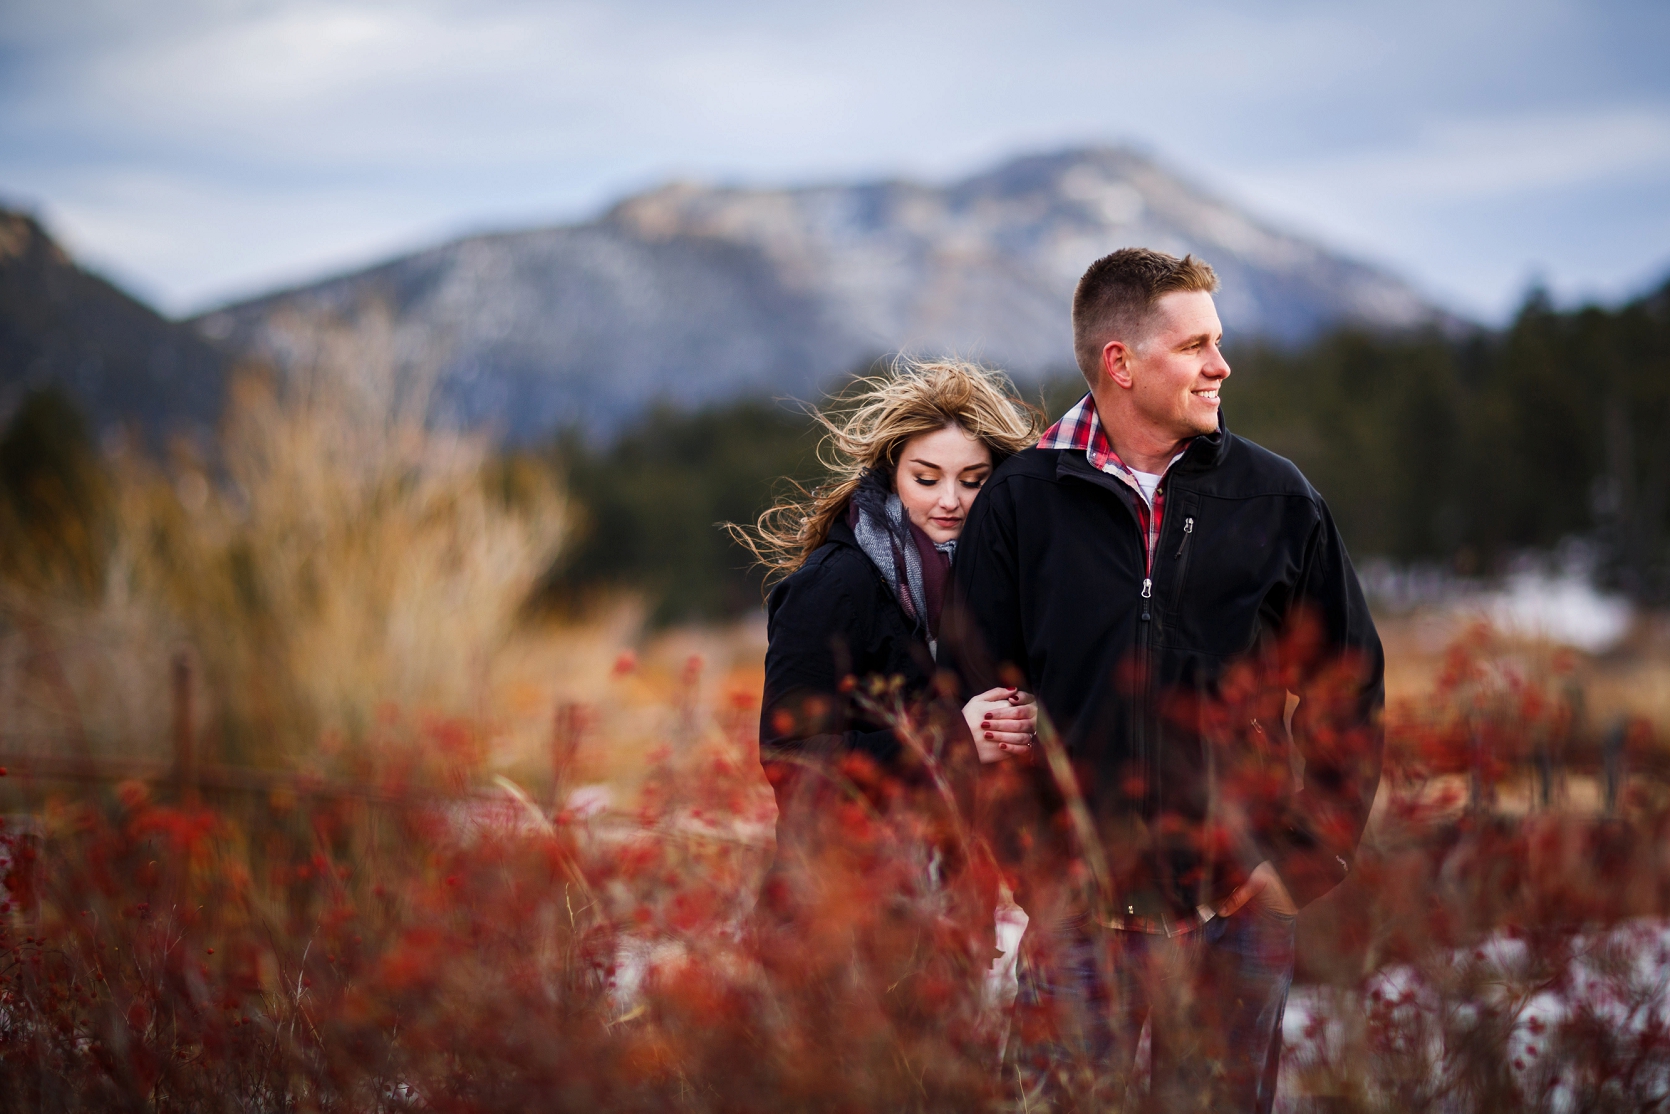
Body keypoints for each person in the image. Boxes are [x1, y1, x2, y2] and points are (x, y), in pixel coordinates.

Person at [944, 249, 1385, 1112]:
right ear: (1121, 361)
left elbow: (1347, 684)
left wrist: (1303, 859)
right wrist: (1038, 874)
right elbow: (974, 702)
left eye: (1216, 343)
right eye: (1195, 347)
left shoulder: (1278, 501)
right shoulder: (1022, 503)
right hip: (1077, 926)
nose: (1221, 365)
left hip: (1238, 917)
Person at [732, 358, 1044, 907]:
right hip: (835, 919)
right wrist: (952, 740)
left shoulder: (988, 587)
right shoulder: (832, 586)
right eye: (926, 478)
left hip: (946, 916)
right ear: (891, 474)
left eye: (973, 482)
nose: (950, 500)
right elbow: (793, 764)